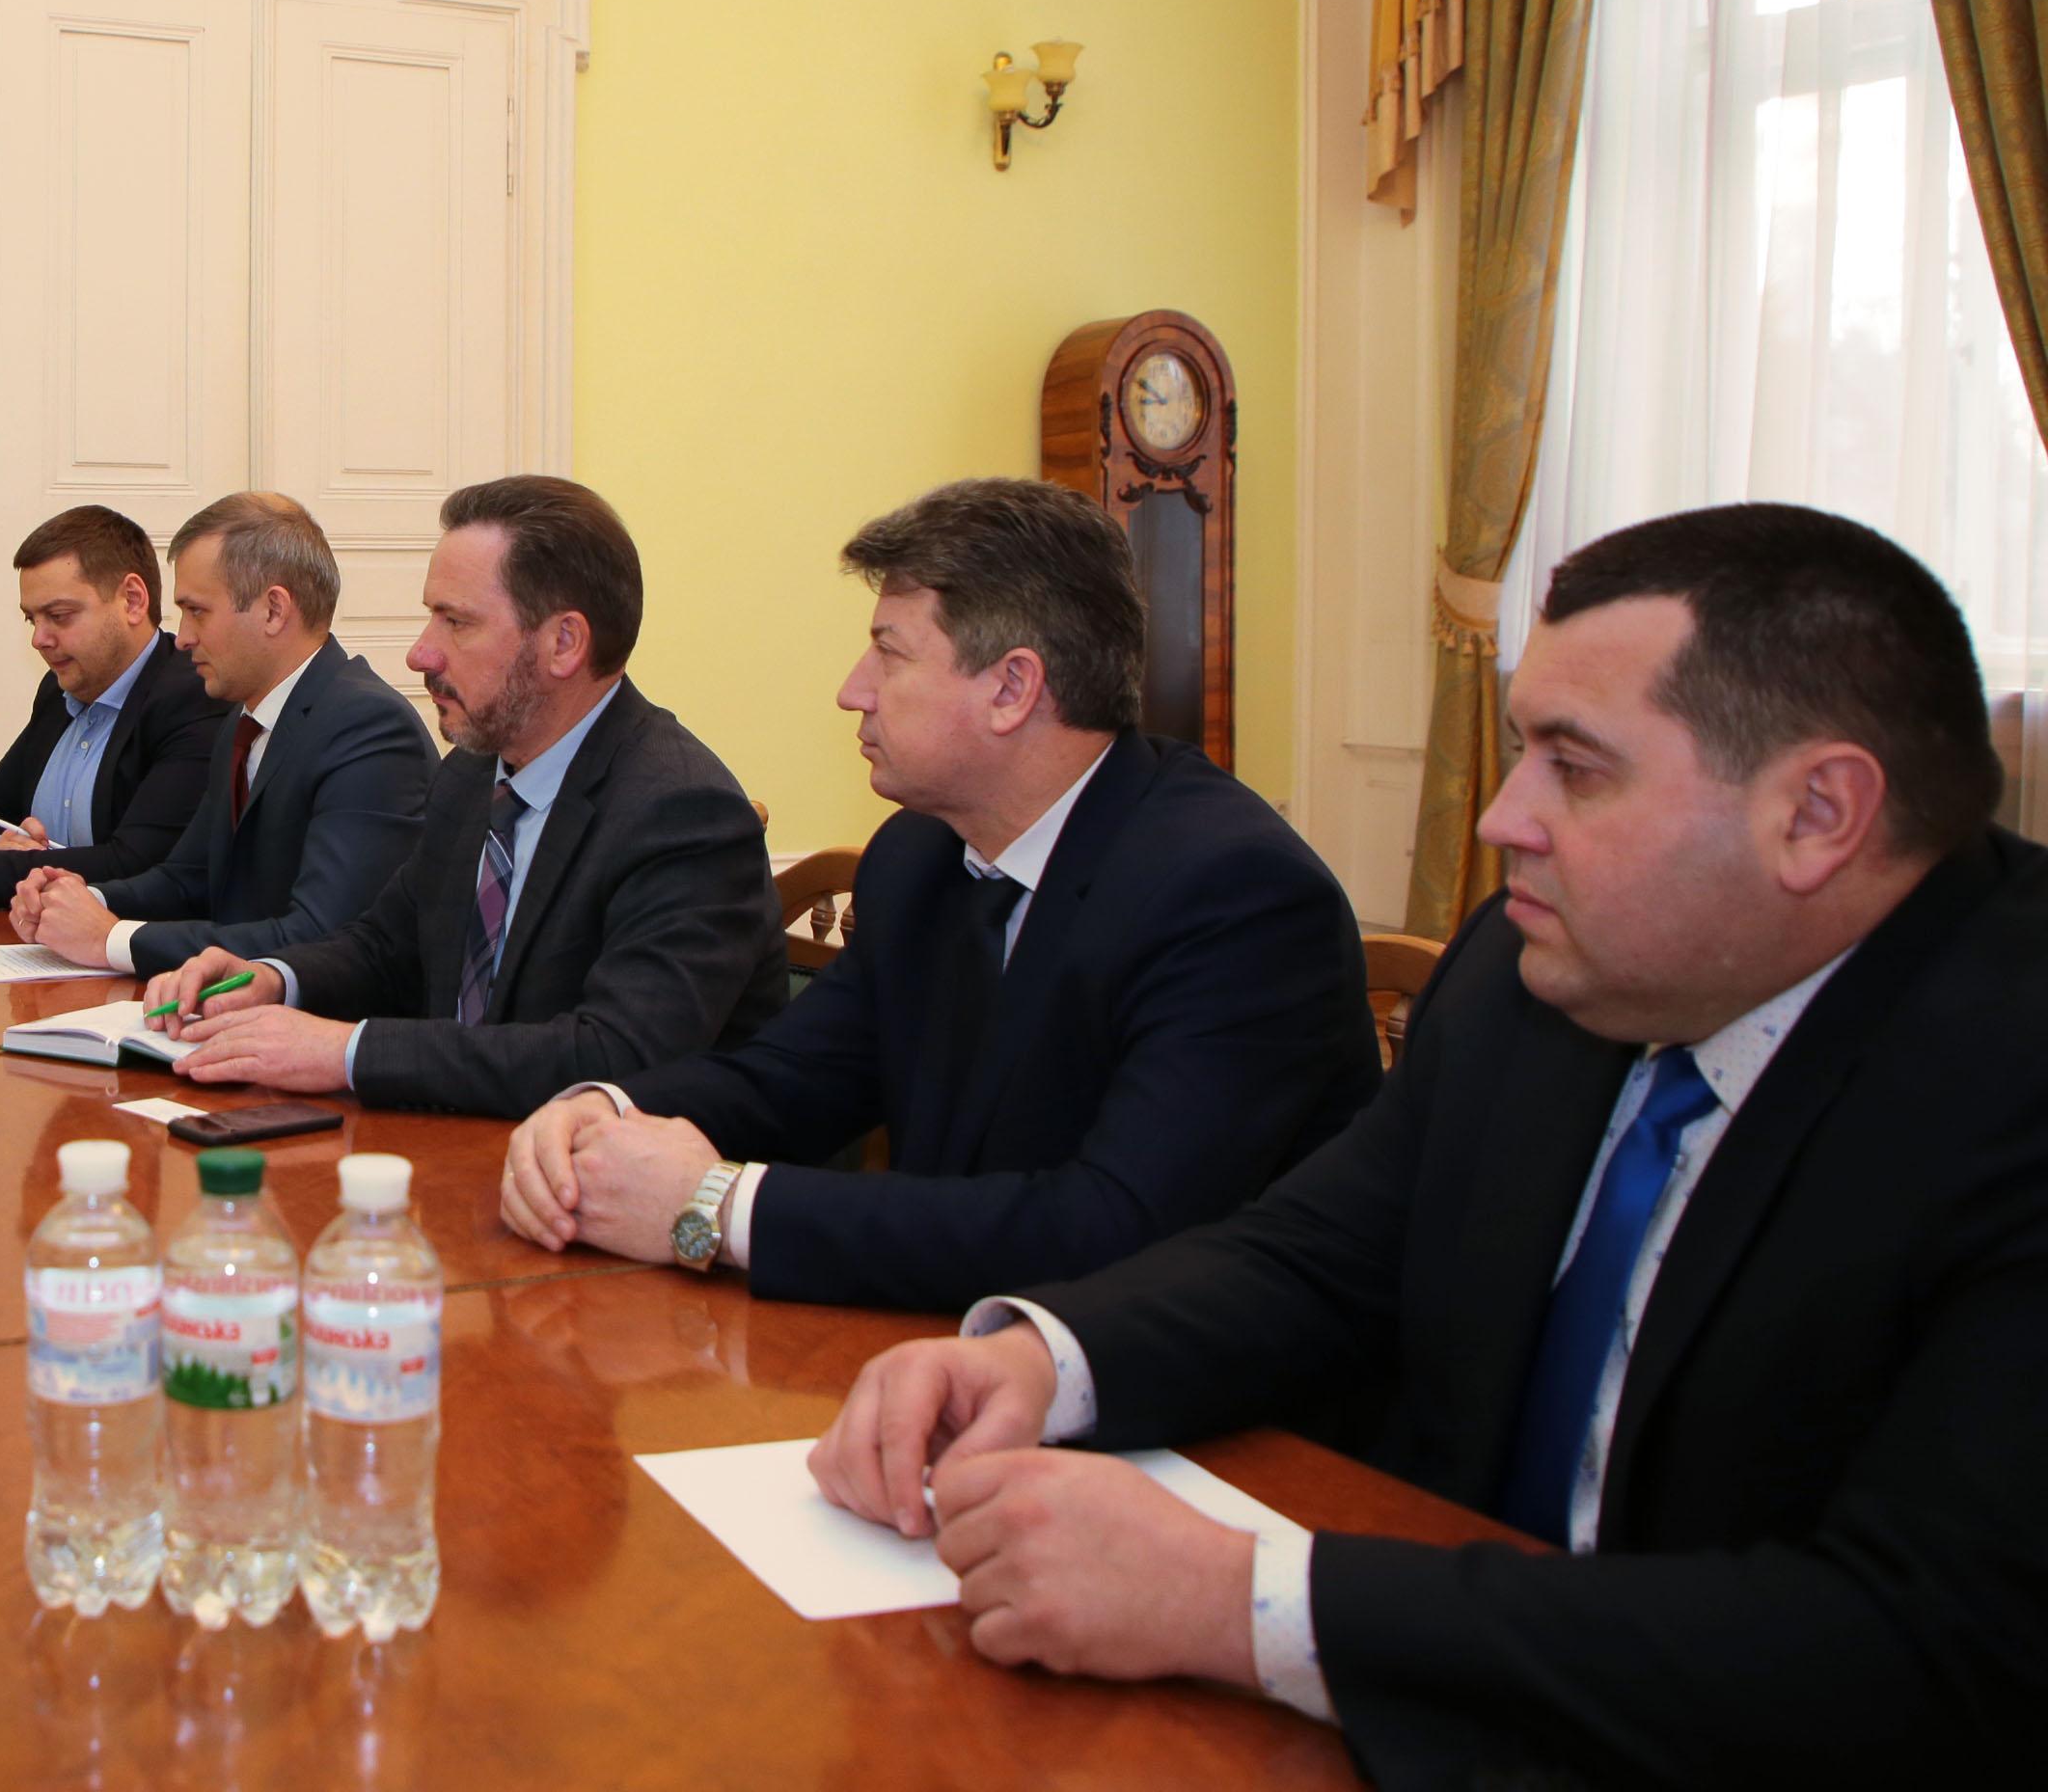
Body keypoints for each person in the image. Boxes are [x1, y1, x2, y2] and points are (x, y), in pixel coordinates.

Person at [811, 504, 2048, 1787]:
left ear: (1819, 813)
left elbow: (1929, 1646)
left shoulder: (2008, 1077)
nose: (1503, 818)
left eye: (1576, 767)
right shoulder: (1531, 965)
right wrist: (1043, 1361)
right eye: (1519, 752)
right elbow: (1317, 1256)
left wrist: (1246, 1603)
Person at [499, 478, 1378, 1307]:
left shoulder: (1236, 898)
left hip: (1187, 1398)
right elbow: (791, 1082)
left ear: (1012, 688)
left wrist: (718, 1210)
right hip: (947, 1345)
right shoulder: (919, 855)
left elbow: (1112, 1227)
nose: (853, 691)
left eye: (889, 653)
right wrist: (607, 1111)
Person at [145, 475, 782, 1118]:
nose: (421, 653)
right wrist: (273, 978)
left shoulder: (683, 812)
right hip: (457, 1140)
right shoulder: (473, 773)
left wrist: (347, 1052)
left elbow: (613, 1055)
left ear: (563, 643)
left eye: (457, 622)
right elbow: (386, 948)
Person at [9, 493, 428, 975]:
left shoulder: (369, 728)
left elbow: (320, 935)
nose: (184, 637)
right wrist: (75, 897)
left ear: (273, 610)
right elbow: (187, 879)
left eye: (197, 611)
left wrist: (110, 939)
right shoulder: (243, 721)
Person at [0, 505, 220, 909]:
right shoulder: (58, 690)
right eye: (32, 619)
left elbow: (134, 864)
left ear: (133, 600)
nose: (39, 639)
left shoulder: (194, 698)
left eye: (59, 616)